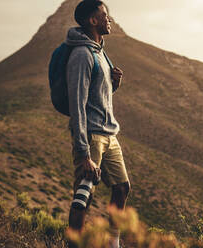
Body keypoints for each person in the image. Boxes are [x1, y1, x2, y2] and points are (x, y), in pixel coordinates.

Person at [66, 0, 130, 247]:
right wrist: (83, 153)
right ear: (93, 20)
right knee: (84, 195)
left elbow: (97, 96)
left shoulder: (99, 52)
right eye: (105, 15)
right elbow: (77, 106)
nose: (109, 19)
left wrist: (114, 84)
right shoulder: (82, 54)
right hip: (91, 136)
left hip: (109, 134)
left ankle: (113, 244)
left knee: (122, 188)